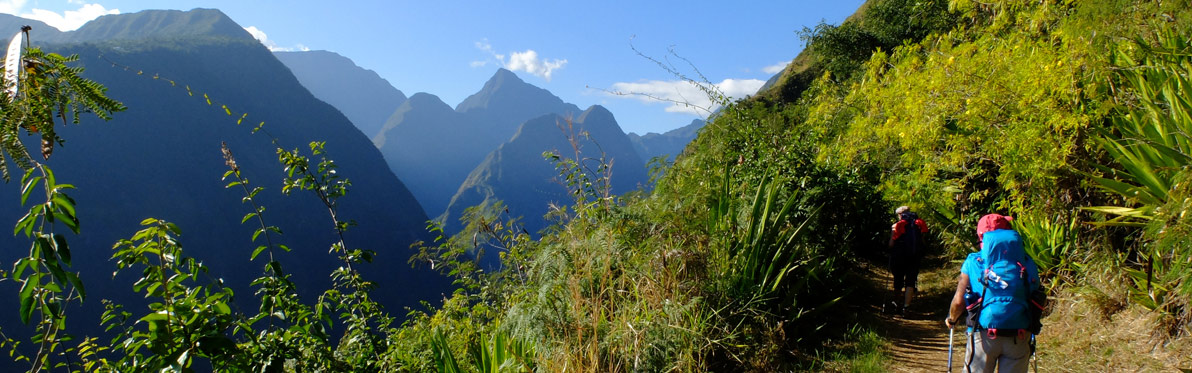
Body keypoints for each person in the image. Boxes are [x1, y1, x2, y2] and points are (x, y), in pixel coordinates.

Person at [945, 213, 1040, 373]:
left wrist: (952, 319)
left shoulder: (973, 262)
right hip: (1019, 334)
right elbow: (1036, 296)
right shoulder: (1027, 262)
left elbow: (959, 301)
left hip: (982, 335)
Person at [888, 206, 928, 316]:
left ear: (900, 215)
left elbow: (891, 244)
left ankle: (896, 303)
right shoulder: (919, 224)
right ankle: (906, 307)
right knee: (911, 281)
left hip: (899, 257)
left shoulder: (896, 226)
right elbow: (923, 242)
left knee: (898, 279)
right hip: (914, 257)